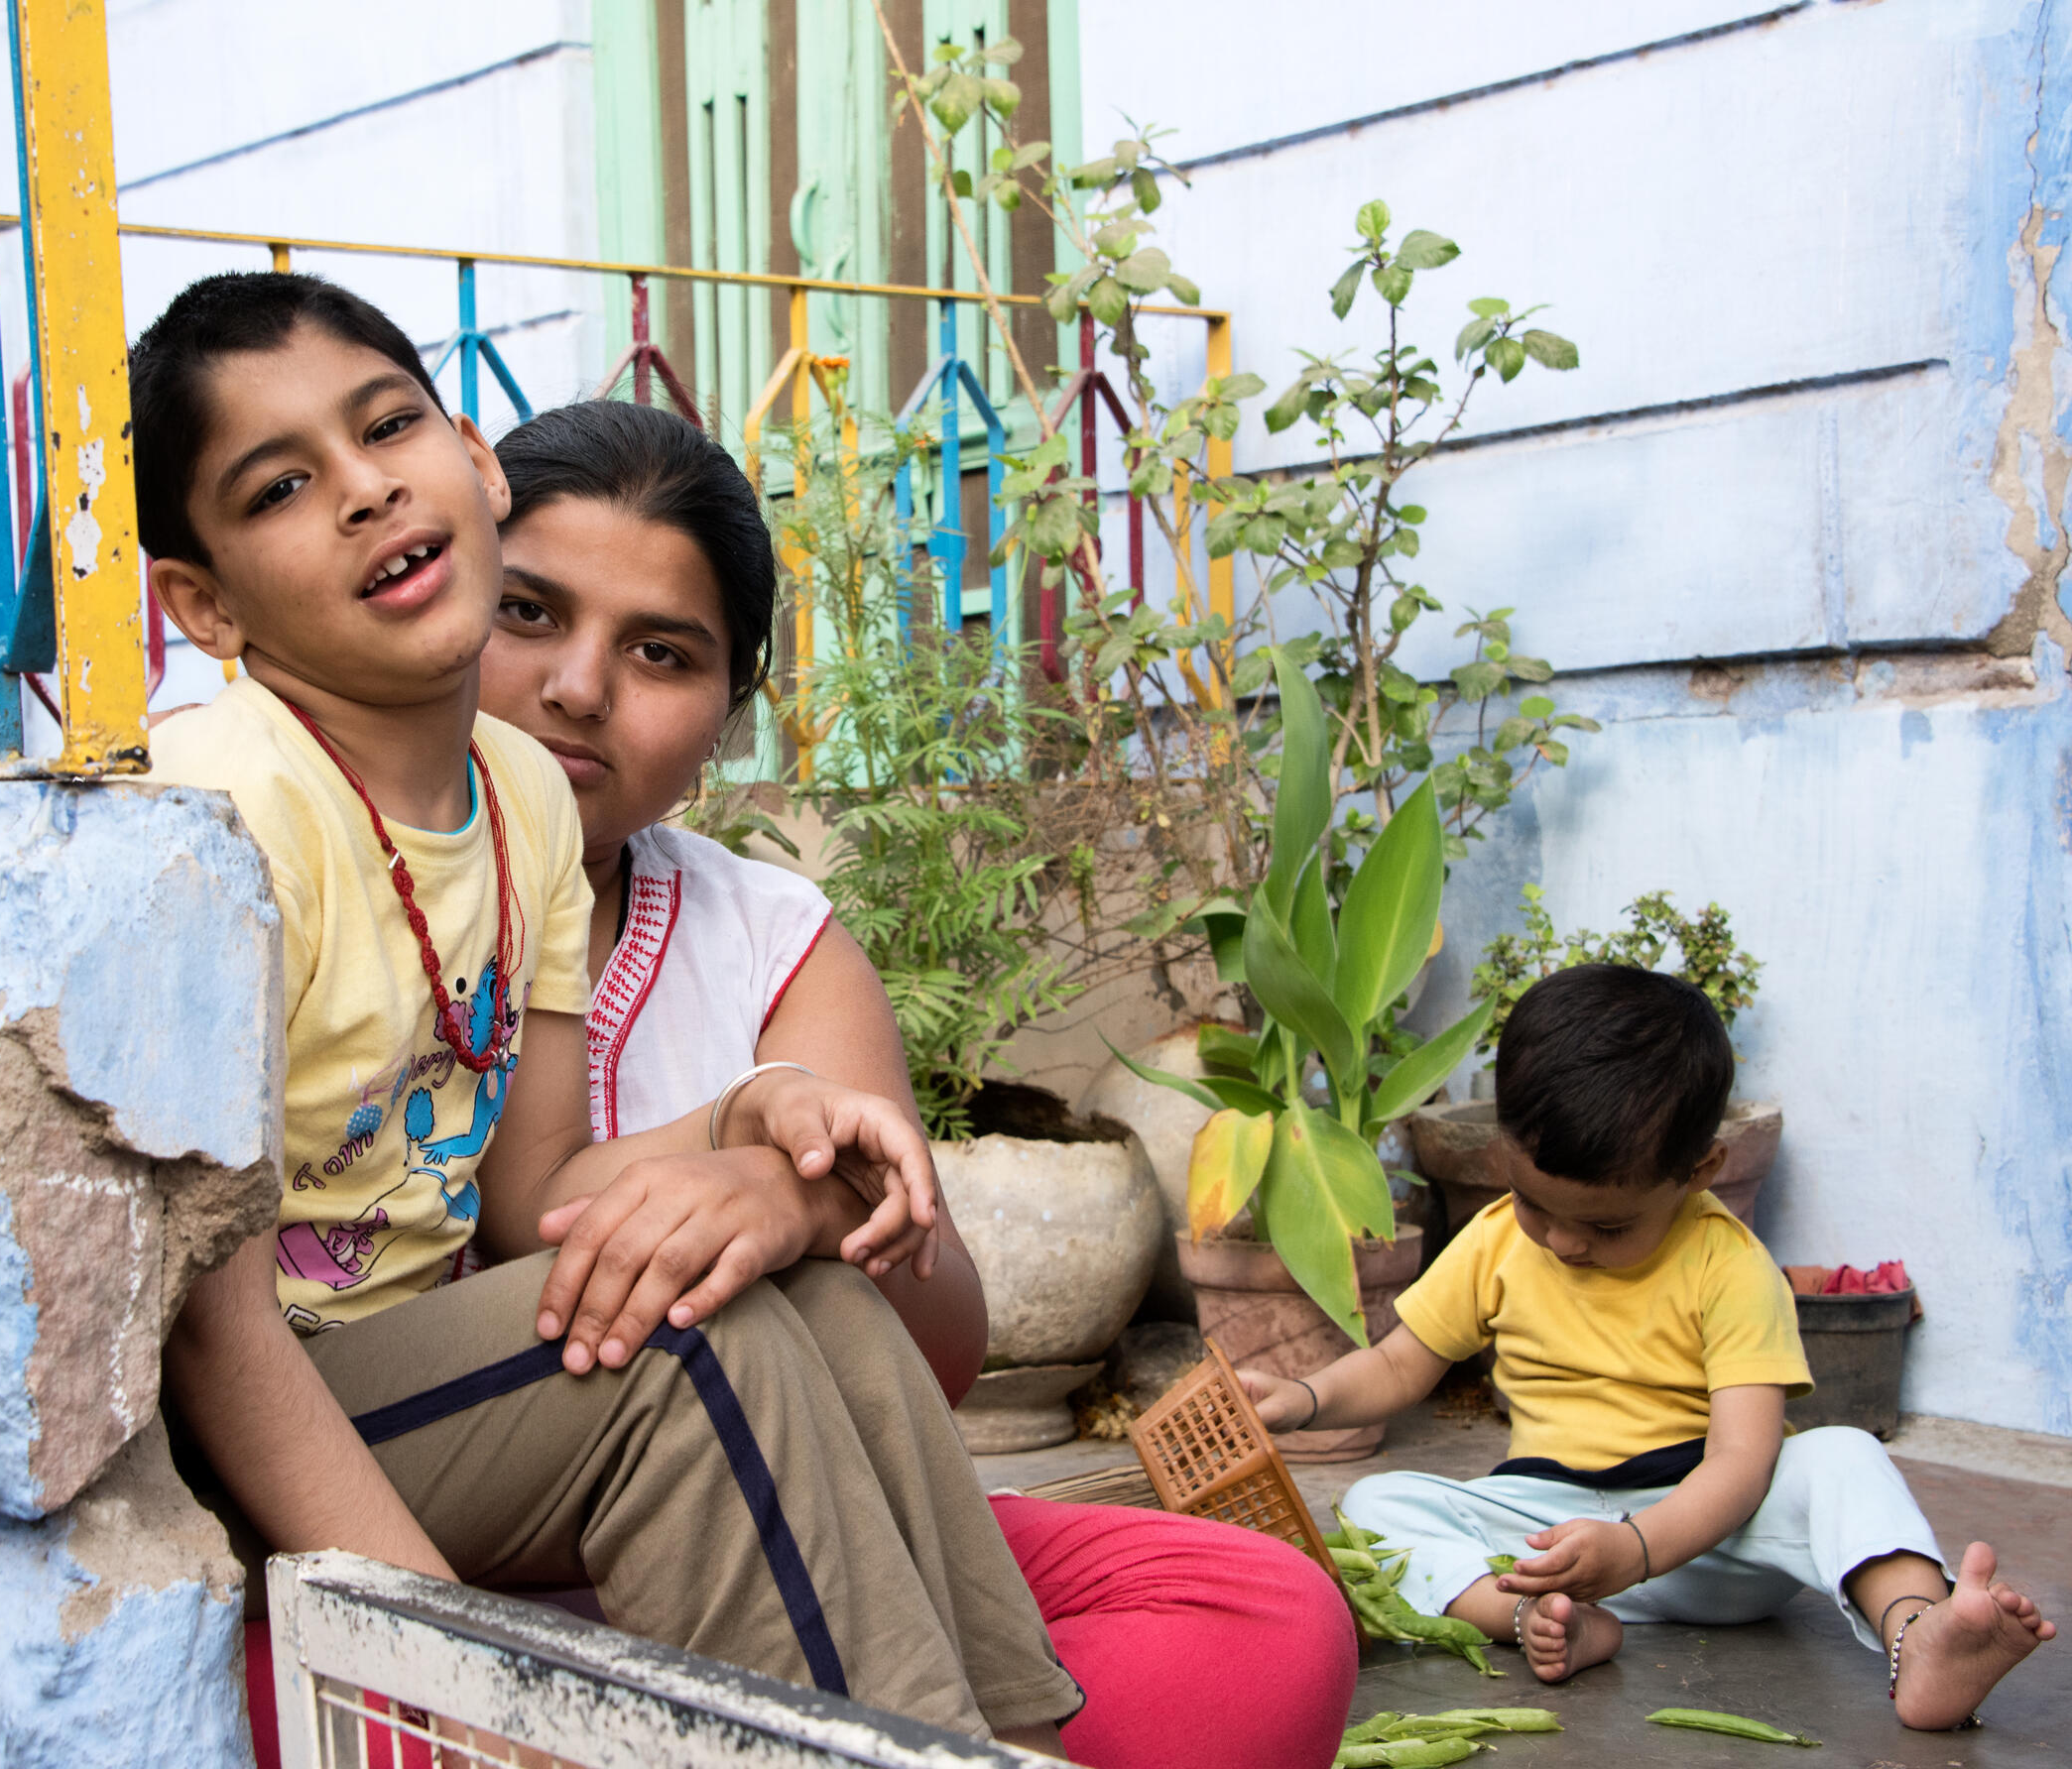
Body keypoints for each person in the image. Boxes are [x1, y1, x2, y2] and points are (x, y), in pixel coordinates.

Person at [132, 273, 1083, 1753]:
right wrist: (450, 1670)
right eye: (280, 488)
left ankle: (1008, 1738)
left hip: (423, 1380)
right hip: (233, 1435)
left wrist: (753, 1122)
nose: (364, 489)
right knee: (685, 1348)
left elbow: (536, 1194)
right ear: (204, 603)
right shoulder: (219, 812)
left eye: (386, 428)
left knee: (807, 1299)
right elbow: (209, 1333)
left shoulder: (515, 797)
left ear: (475, 463)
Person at [478, 397, 1359, 1769]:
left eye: (660, 652)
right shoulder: (335, 881)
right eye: (527, 612)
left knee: (1263, 1618)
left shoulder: (768, 935)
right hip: (463, 1539)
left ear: (730, 715)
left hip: (808, 1508)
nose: (580, 686)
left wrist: (802, 1203)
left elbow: (940, 1354)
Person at [1243, 964, 2053, 1729]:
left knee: (1844, 1458)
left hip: (1709, 1536)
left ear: (1700, 1170)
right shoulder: (1493, 1242)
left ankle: (1919, 1634)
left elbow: (1741, 1464)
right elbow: (1397, 1364)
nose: (1563, 1242)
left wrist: (1636, 1549)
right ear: (1502, 1153)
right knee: (1375, 1506)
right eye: (1533, 1203)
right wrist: (1305, 1399)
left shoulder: (1730, 1268)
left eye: (1606, 1225)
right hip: (1548, 1532)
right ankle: (1537, 1617)